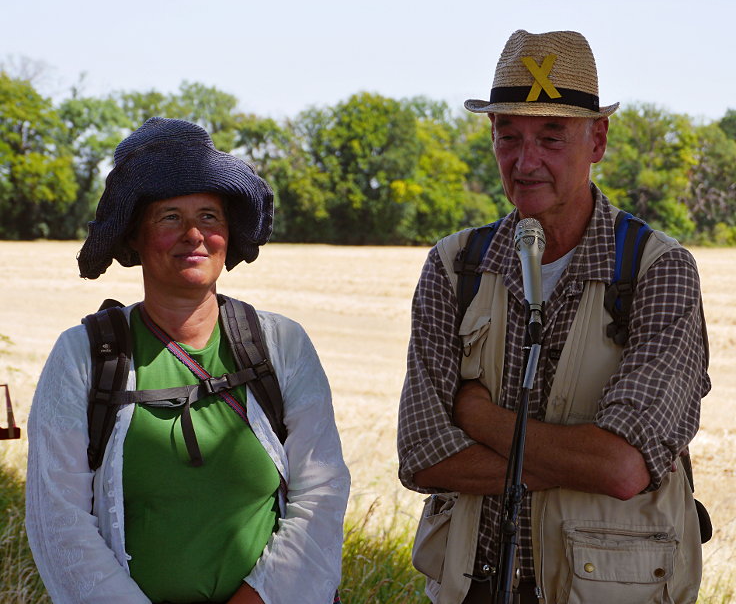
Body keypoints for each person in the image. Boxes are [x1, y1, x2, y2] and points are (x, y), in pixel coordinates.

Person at [397, 30, 710, 604]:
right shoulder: (454, 264)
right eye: (507, 135)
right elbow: (421, 455)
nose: (525, 160)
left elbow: (621, 467)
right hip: (471, 586)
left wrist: (475, 415)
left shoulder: (657, 271)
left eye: (551, 135)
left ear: (599, 139)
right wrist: (574, 458)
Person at [26, 117, 350, 604]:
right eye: (170, 217)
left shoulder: (281, 345)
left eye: (210, 217)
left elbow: (321, 493)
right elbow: (59, 521)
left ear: (229, 233)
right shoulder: (84, 357)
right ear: (135, 236)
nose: (194, 234)